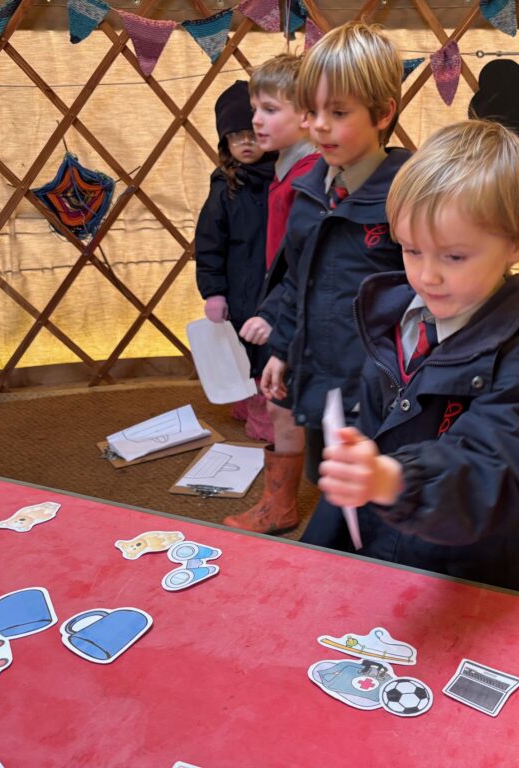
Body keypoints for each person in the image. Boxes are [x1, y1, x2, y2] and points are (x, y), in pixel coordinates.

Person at [303, 120, 519, 598]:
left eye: (454, 257)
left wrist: (395, 478)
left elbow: (491, 469)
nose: (427, 276)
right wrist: (315, 549)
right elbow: (366, 436)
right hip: (381, 541)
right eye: (410, 249)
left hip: (472, 571)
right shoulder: (394, 322)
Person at [227, 23, 410, 534]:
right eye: (311, 112)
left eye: (339, 112)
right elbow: (297, 282)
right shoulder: (309, 189)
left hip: (382, 381)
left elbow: (435, 292)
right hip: (322, 368)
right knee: (332, 474)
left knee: (377, 494)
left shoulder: (407, 197)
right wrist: (283, 349)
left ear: (383, 113)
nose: (320, 127)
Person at [224, 54, 318, 532]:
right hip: (288, 311)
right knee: (284, 404)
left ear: (306, 115)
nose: (255, 120)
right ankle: (278, 502)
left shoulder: (310, 178)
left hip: (301, 318)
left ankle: (280, 507)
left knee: (286, 406)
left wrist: (276, 316)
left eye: (268, 109)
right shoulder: (288, 166)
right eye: (254, 110)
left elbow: (304, 262)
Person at [194, 80, 275, 438]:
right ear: (224, 142)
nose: (245, 143)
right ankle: (258, 417)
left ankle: (251, 406)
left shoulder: (287, 178)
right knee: (244, 353)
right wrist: (213, 292)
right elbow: (209, 244)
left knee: (269, 350)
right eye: (235, 135)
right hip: (240, 290)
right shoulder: (223, 187)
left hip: (275, 285)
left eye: (253, 134)